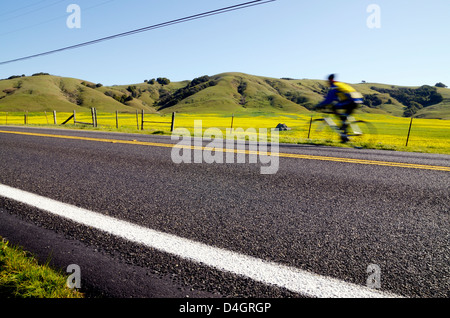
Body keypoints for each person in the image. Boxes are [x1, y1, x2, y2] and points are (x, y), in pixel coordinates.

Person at [315, 74, 363, 142]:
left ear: (330, 80)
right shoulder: (340, 84)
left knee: (334, 107)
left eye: (328, 81)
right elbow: (337, 98)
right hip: (358, 100)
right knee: (345, 117)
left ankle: (343, 123)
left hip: (351, 101)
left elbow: (329, 99)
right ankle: (344, 137)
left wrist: (320, 105)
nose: (327, 83)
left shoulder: (334, 86)